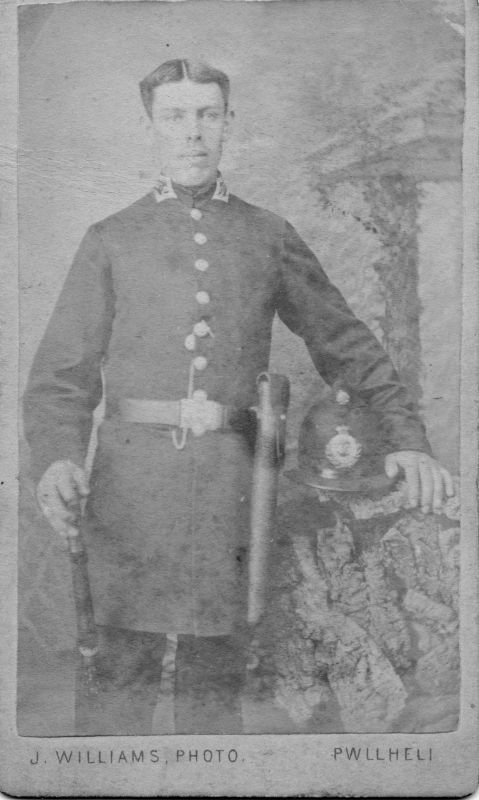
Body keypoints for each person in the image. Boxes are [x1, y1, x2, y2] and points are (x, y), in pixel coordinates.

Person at [23, 59, 454, 735]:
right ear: (151, 128)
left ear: (228, 123)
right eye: (175, 117)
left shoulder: (267, 236)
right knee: (119, 681)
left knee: (215, 688)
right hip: (128, 494)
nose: (191, 133)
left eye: (206, 115)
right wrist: (56, 459)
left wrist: (406, 439)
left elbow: (346, 343)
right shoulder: (110, 239)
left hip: (232, 492)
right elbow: (61, 375)